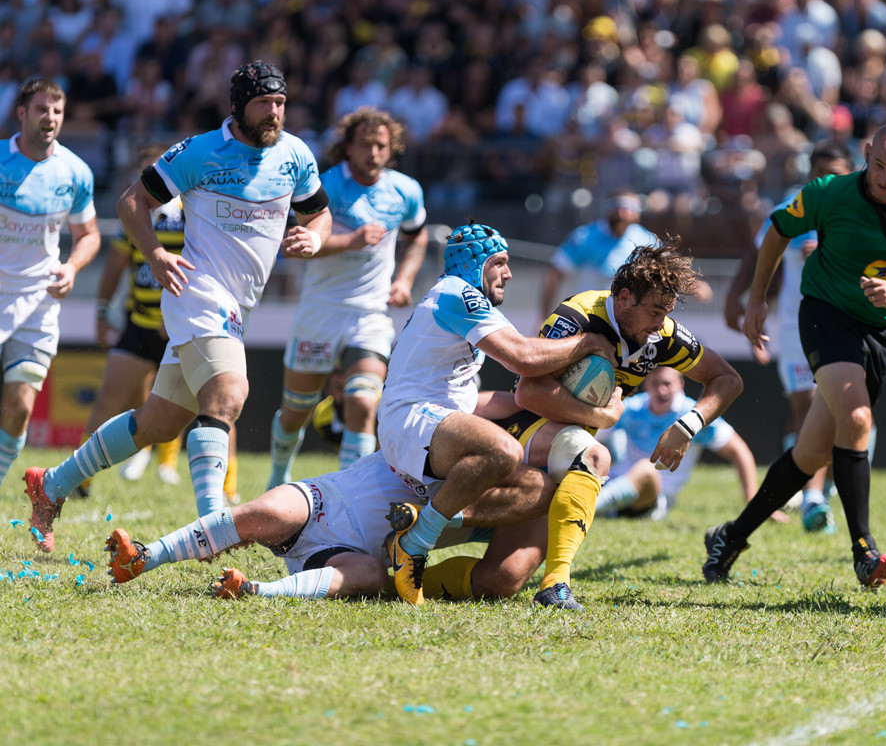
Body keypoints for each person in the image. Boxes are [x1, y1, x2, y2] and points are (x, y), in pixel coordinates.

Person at [24, 61, 331, 553]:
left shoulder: (295, 154)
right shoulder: (200, 151)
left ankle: (52, 483)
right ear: (238, 106)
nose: (274, 113)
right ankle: (212, 529)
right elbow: (132, 201)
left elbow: (320, 214)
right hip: (197, 292)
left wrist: (314, 239)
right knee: (229, 393)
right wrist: (156, 254)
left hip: (238, 304)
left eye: (280, 103)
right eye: (263, 103)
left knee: (158, 422)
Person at [705, 123, 886, 590]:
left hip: (879, 328)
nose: (883, 178)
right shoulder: (829, 192)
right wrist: (757, 298)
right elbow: (776, 231)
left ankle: (730, 537)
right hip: (825, 315)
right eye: (878, 165)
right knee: (858, 418)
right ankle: (864, 549)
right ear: (866, 153)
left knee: (811, 453)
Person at [494, 238, 744, 610]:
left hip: (568, 456)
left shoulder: (662, 336)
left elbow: (727, 379)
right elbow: (528, 393)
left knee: (503, 578)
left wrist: (687, 426)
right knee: (593, 456)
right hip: (525, 434)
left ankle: (412, 579)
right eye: (656, 311)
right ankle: (555, 585)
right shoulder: (578, 317)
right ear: (625, 297)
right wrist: (600, 416)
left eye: (667, 312)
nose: (661, 324)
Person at [376, 222, 616, 606]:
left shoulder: (458, 303)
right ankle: (416, 543)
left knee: (540, 490)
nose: (508, 273)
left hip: (426, 424)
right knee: (503, 450)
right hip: (411, 421)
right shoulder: (457, 293)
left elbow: (475, 401)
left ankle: (419, 523)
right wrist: (588, 341)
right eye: (500, 262)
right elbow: (523, 356)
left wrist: (576, 409)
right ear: (475, 263)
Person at [104, 439, 558, 603]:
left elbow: (508, 569)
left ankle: (257, 591)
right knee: (268, 512)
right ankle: (144, 557)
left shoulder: (542, 490)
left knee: (370, 574)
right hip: (326, 501)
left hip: (350, 553)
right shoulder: (480, 435)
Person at [268, 108, 429, 488]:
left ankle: (350, 492)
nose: (373, 153)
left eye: (381, 145)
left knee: (362, 402)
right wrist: (350, 241)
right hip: (320, 312)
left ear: (391, 149)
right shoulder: (324, 186)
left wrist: (404, 280)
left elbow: (417, 235)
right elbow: (292, 247)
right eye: (365, 144)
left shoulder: (405, 190)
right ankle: (278, 476)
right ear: (347, 147)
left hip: (370, 314)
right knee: (295, 411)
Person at [80, 143, 239, 498]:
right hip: (140, 324)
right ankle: (79, 479)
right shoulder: (135, 216)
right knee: (109, 399)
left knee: (219, 401)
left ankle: (227, 487)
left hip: (186, 325)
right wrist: (103, 312)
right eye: (146, 172)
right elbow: (114, 267)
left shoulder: (191, 214)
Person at [723, 141, 854, 533]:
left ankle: (813, 491)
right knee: (808, 409)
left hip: (848, 324)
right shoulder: (792, 208)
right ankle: (812, 493)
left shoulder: (863, 211)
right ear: (810, 174)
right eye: (820, 173)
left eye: (836, 174)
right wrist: (738, 301)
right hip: (798, 327)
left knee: (835, 412)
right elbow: (758, 253)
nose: (827, 181)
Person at [0, 77, 100, 488]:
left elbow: (88, 235)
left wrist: (72, 267)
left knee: (21, 406)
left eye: (57, 111)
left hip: (38, 301)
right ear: (22, 113)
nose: (50, 117)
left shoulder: (75, 172)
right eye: (42, 109)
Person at [594, 366, 773, 522]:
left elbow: (739, 451)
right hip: (616, 482)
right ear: (646, 384)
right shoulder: (633, 408)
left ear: (680, 385)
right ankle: (595, 503)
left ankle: (589, 509)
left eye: (667, 384)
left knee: (647, 469)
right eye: (655, 384)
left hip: (653, 500)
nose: (661, 390)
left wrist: (753, 501)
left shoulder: (694, 416)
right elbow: (594, 436)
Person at [538, 190, 658, 317]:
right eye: (618, 206)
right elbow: (555, 275)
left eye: (630, 208)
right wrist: (544, 317)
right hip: (587, 316)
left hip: (626, 319)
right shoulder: (585, 237)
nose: (623, 213)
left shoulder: (647, 241)